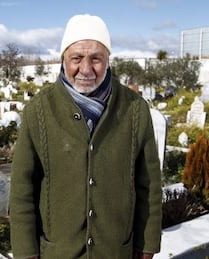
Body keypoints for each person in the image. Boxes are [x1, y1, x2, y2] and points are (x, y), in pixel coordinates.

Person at [9, 14, 162, 259]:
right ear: (63, 59)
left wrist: (147, 245)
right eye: (77, 58)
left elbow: (149, 184)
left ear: (108, 59)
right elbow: (22, 188)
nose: (86, 69)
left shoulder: (134, 109)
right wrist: (26, 252)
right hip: (59, 252)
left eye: (96, 58)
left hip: (115, 251)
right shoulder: (39, 110)